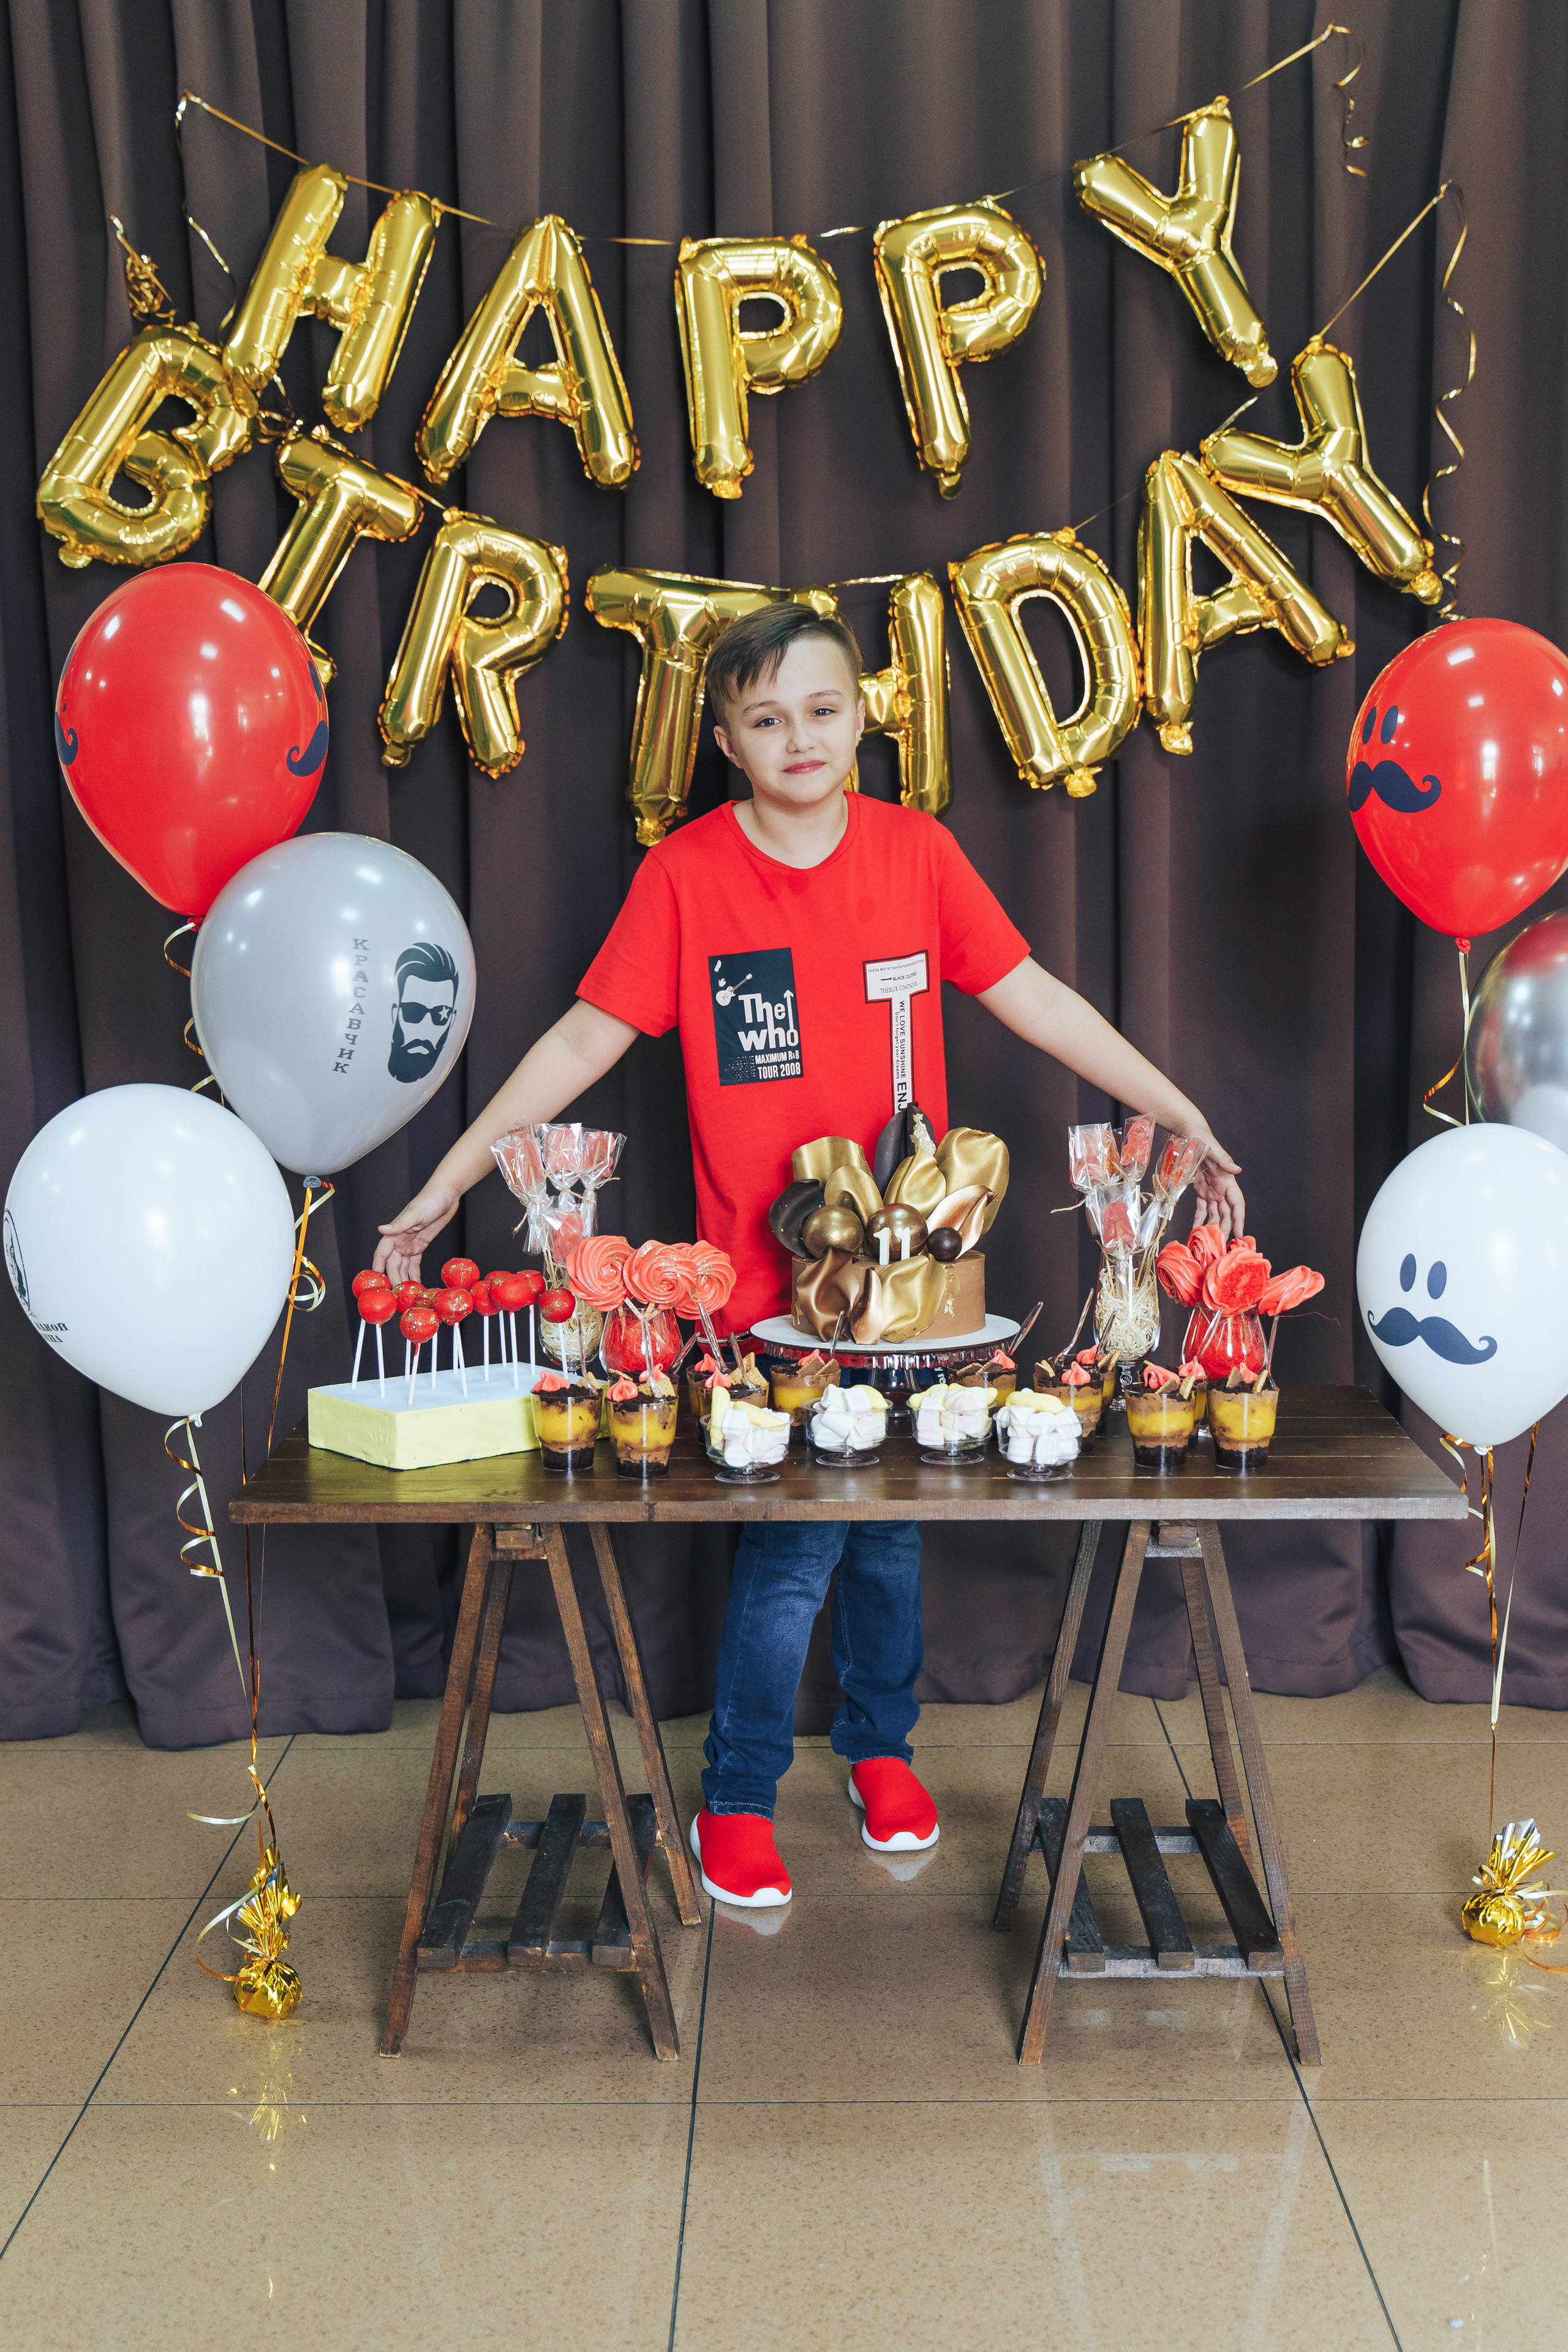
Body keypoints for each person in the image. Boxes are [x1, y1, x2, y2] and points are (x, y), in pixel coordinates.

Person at [374, 603, 1244, 1909]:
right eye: (765, 717)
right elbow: (576, 1043)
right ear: (723, 737)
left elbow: (1036, 997)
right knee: (790, 1546)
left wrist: (1176, 1107)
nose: (798, 737)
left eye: (822, 710)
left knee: (891, 1531)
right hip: (759, 1299)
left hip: (913, 1289)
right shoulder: (684, 878)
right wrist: (451, 1176)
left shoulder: (918, 854)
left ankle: (878, 1749)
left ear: (864, 720)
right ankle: (736, 1791)